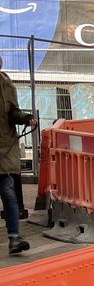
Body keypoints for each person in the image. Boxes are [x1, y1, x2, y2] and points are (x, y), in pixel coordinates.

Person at [0, 57, 33, 254]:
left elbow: (13, 112)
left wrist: (27, 119)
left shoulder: (6, 84)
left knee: (8, 192)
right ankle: (13, 238)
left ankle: (14, 238)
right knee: (8, 192)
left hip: (4, 148)